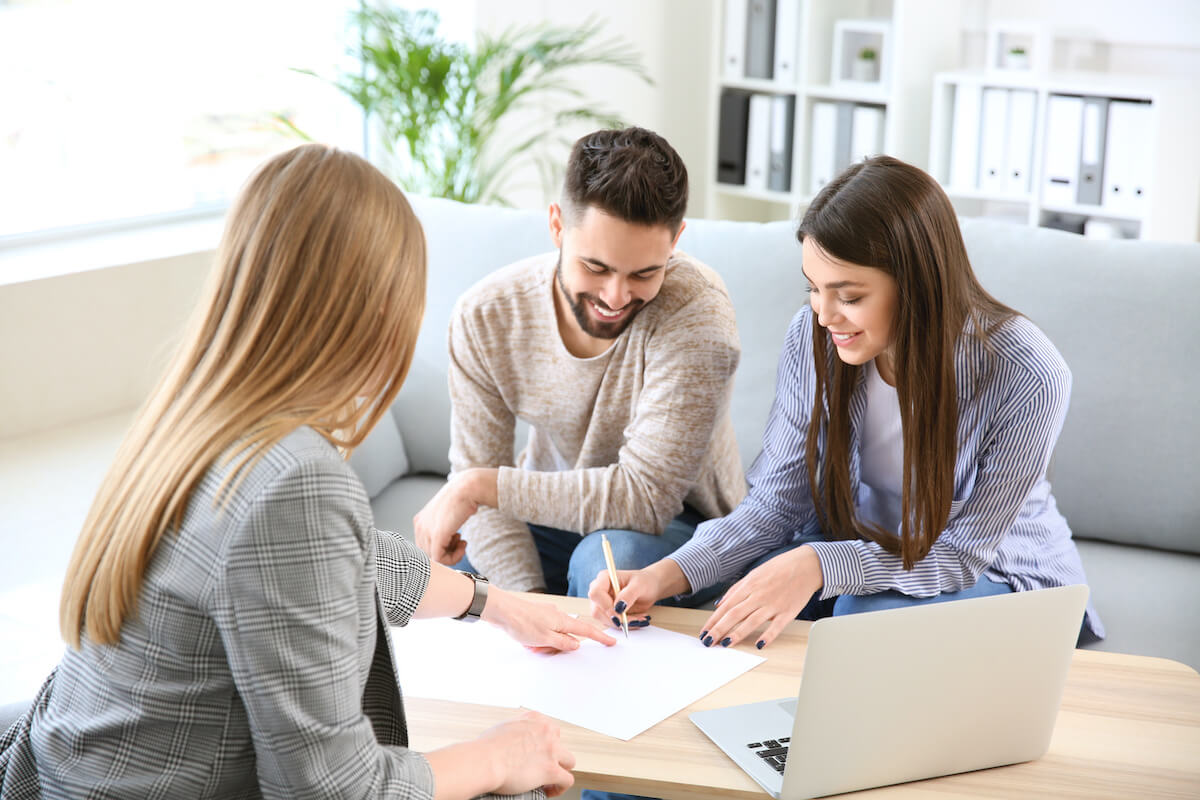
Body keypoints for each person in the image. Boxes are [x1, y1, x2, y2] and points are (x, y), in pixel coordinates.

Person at [0, 144, 614, 800]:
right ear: (379, 310)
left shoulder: (191, 418)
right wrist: (498, 757)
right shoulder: (295, 480)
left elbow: (344, 556)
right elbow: (335, 789)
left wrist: (494, 603)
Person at [588, 155, 1104, 649]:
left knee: (859, 619)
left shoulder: (1028, 371)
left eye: (850, 296)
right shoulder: (813, 339)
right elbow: (776, 502)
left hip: (994, 570)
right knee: (728, 601)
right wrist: (667, 575)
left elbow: (961, 553)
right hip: (853, 554)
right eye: (814, 289)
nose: (825, 315)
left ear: (919, 284)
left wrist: (818, 565)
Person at [413, 127, 745, 603]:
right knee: (456, 573)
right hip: (550, 508)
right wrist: (525, 604)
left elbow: (646, 498)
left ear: (676, 241)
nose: (616, 296)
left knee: (606, 563)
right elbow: (479, 492)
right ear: (556, 226)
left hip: (683, 526)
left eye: (644, 273)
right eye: (596, 267)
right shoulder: (486, 315)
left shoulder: (697, 313)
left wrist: (480, 486)